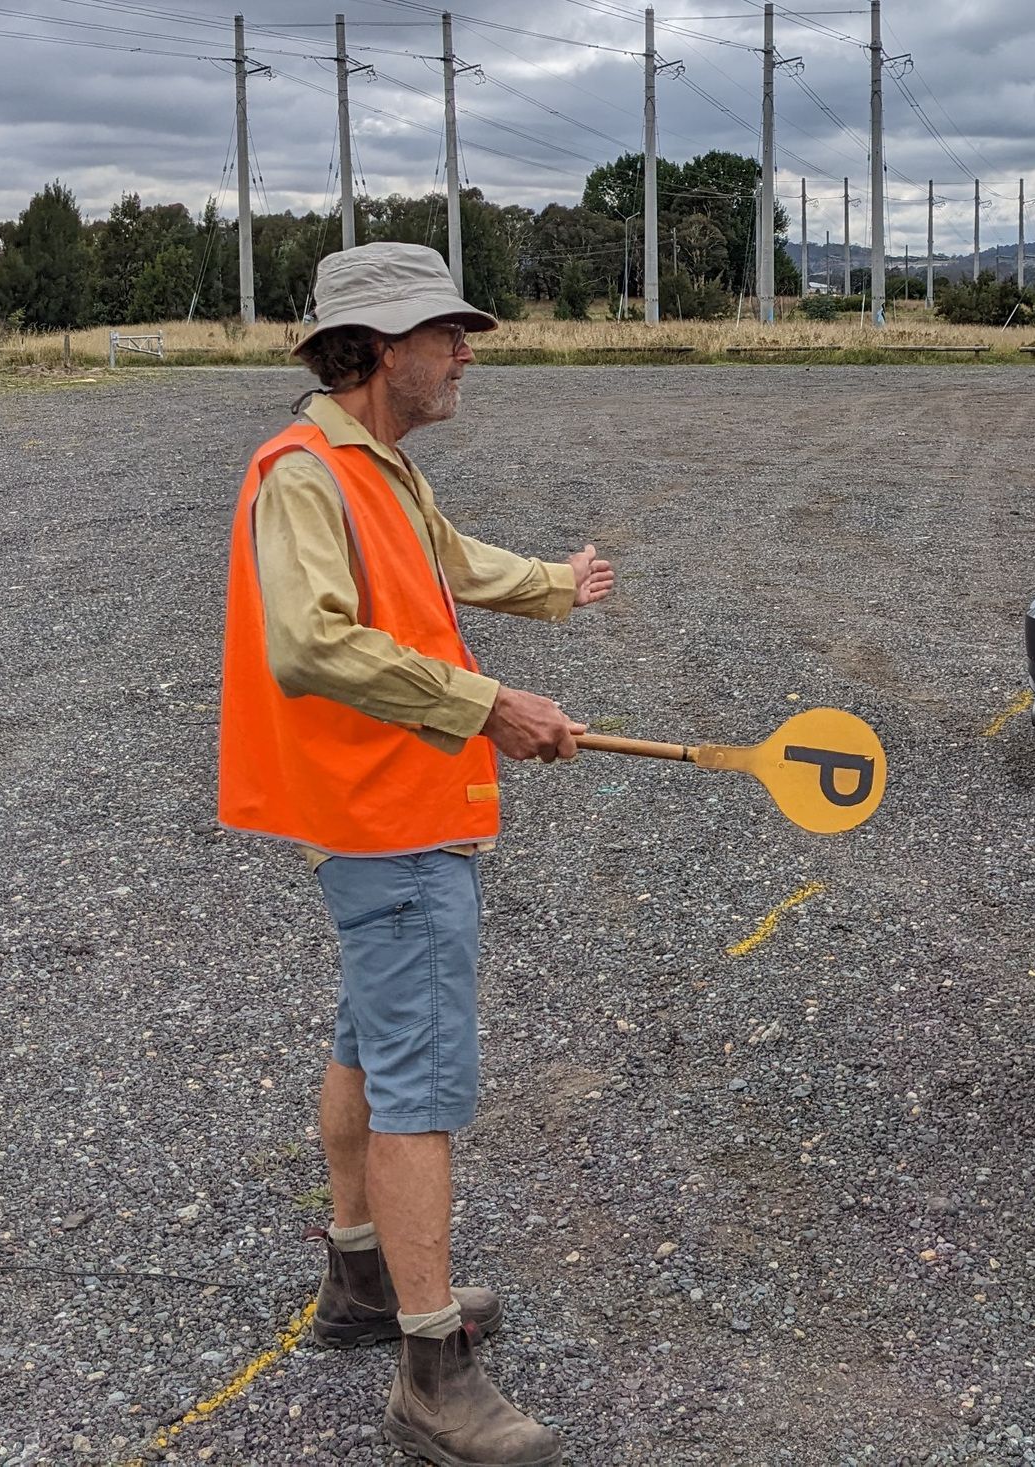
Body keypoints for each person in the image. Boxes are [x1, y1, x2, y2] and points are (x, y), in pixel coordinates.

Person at [219, 241, 614, 1467]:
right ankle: (432, 1379)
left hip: (390, 813)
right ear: (382, 348)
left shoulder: (377, 466)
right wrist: (489, 705)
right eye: (449, 334)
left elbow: (450, 567)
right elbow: (310, 645)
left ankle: (360, 1280)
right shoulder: (303, 475)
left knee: (366, 1043)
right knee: (422, 1090)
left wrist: (556, 585)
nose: (466, 353)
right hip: (387, 820)